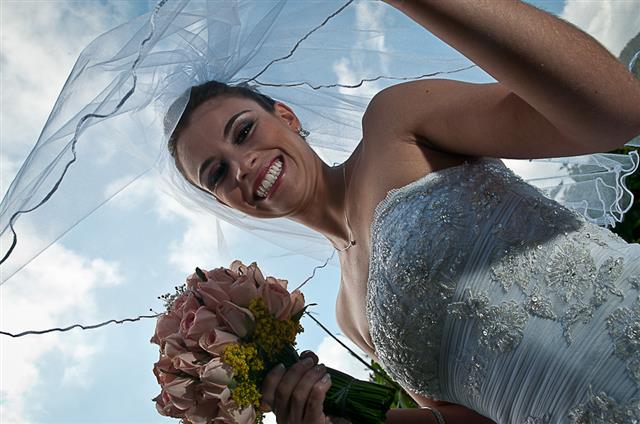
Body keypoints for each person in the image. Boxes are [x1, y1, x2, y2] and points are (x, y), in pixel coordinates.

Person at [167, 1, 640, 423]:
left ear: (287, 117)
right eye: (216, 174)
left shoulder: (393, 128)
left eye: (244, 131)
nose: (241, 165)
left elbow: (614, 113)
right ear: (221, 201)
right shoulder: (349, 315)